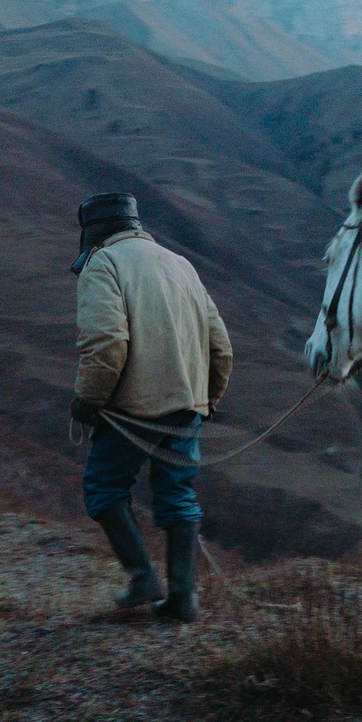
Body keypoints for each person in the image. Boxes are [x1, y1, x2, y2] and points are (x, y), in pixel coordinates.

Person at [69, 191, 233, 621]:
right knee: (178, 493)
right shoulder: (180, 263)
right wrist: (206, 401)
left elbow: (106, 343)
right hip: (187, 406)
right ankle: (184, 601)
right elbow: (221, 347)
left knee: (103, 487)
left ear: (92, 229)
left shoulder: (102, 264)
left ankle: (143, 578)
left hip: (131, 409)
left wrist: (88, 401)